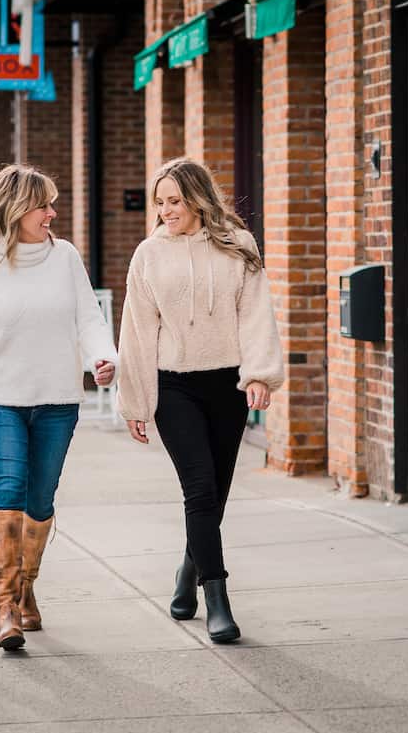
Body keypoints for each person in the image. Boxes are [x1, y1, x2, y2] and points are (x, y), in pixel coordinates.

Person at [0, 163, 118, 651]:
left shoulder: (65, 257)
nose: (53, 213)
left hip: (57, 400)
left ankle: (27, 586)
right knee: (8, 489)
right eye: (44, 205)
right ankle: (6, 606)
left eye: (52, 204)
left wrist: (103, 358)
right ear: (15, 209)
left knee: (41, 500)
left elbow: (88, 318)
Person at [116, 158, 284, 644]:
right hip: (175, 387)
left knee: (216, 494)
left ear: (197, 199)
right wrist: (137, 402)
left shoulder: (238, 247)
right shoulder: (148, 255)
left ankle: (187, 574)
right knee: (200, 490)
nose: (166, 211)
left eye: (174, 201)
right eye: (160, 203)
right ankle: (218, 599)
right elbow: (138, 331)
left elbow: (255, 314)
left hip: (227, 384)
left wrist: (258, 376)